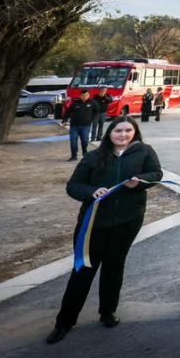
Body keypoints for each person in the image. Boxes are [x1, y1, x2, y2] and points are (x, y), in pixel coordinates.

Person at [45, 117, 163, 344]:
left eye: (128, 130)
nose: (123, 135)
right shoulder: (93, 156)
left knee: (114, 267)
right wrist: (92, 192)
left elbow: (156, 174)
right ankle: (64, 322)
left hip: (128, 221)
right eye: (118, 130)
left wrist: (140, 180)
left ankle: (107, 312)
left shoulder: (145, 151)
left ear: (135, 132)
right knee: (83, 270)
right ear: (110, 133)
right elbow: (73, 186)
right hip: (94, 225)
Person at [64, 90, 98, 161]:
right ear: (80, 95)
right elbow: (68, 112)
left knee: (85, 141)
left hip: (86, 126)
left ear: (88, 95)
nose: (85, 97)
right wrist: (65, 120)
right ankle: (74, 156)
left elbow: (97, 111)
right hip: (74, 126)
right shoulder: (75, 103)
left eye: (86, 95)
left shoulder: (92, 103)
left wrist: (93, 119)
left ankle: (84, 153)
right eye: (83, 95)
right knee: (73, 141)